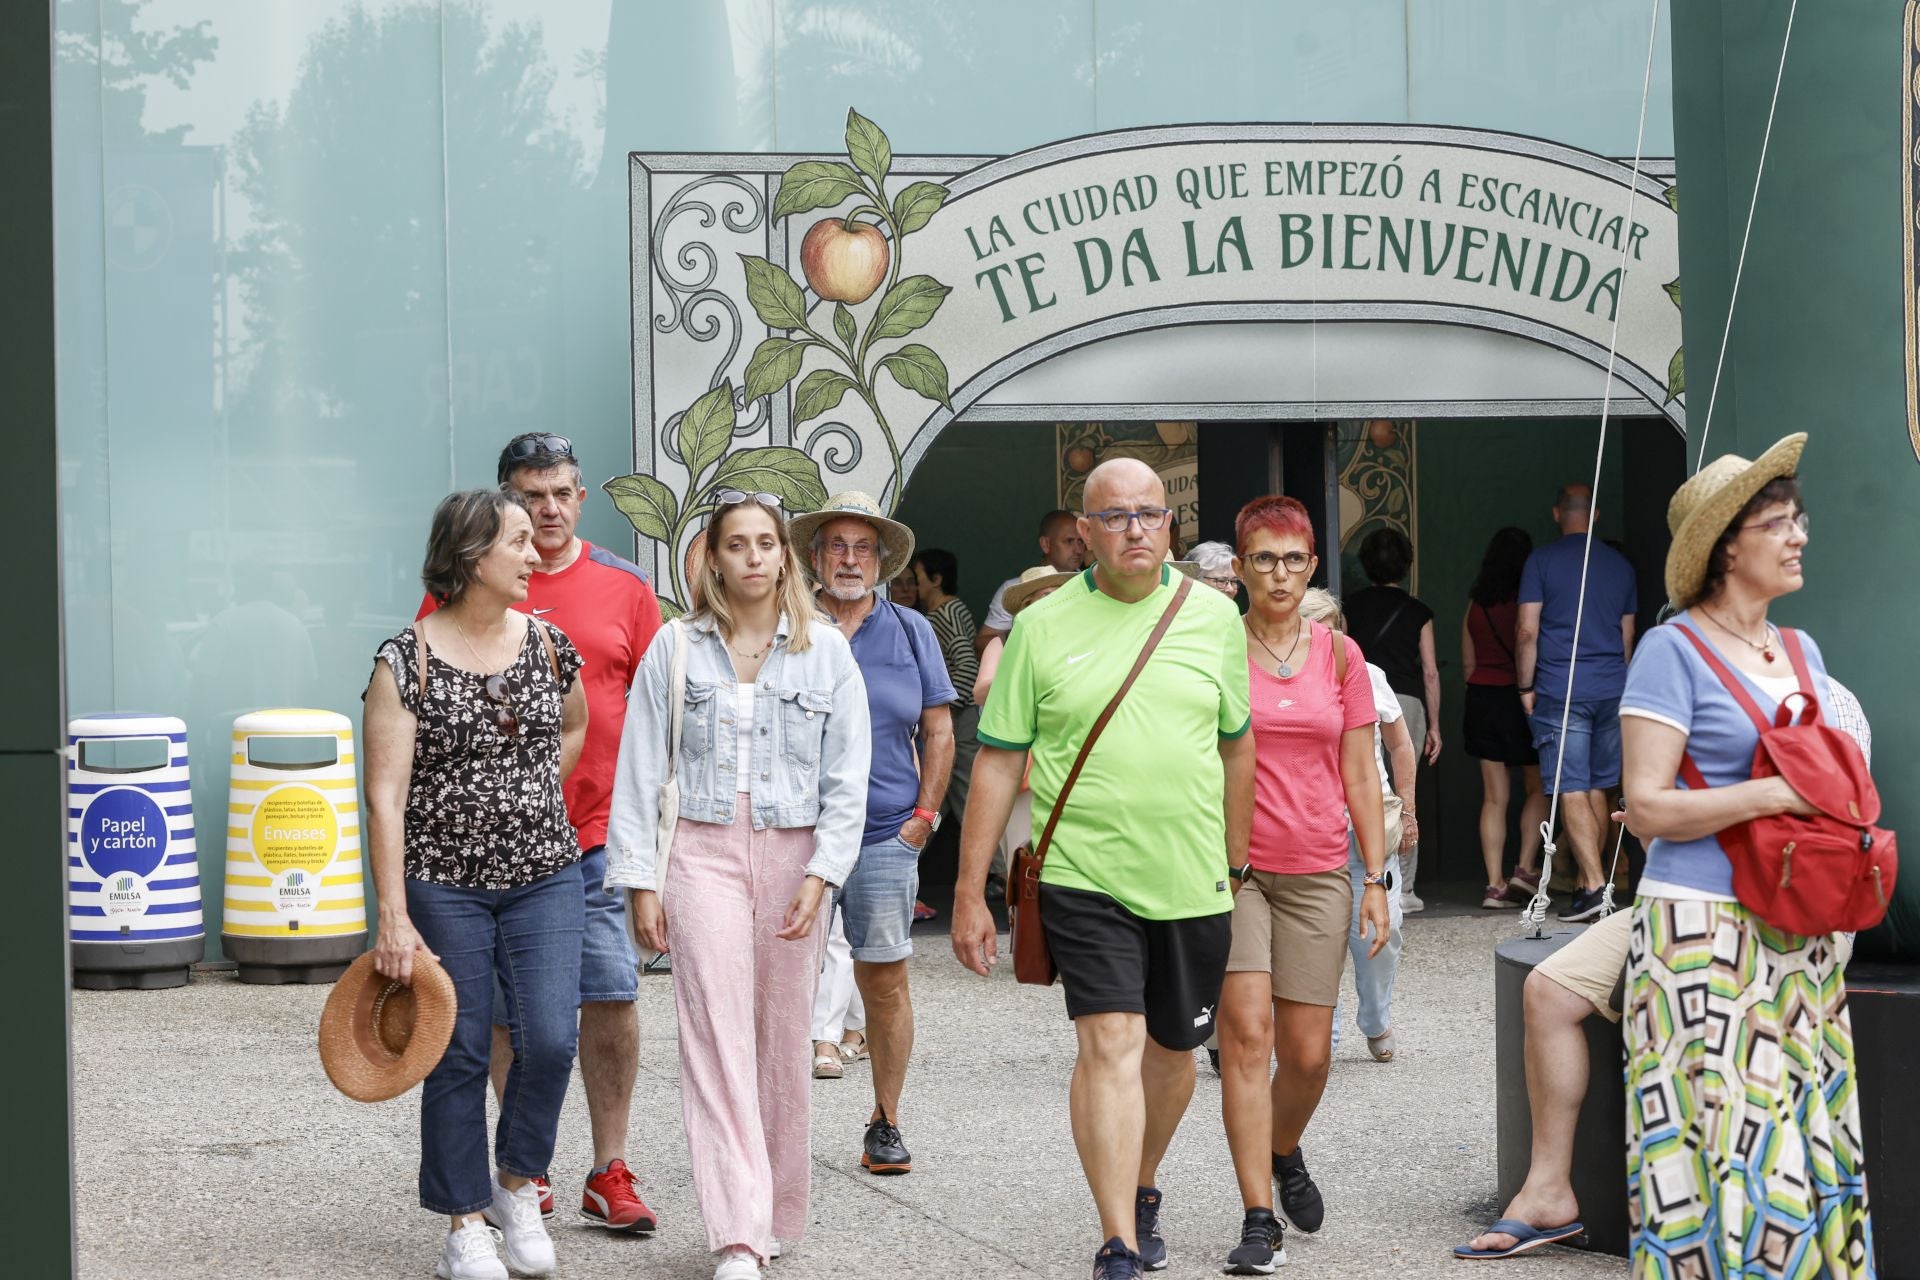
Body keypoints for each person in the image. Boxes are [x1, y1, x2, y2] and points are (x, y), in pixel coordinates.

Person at [954, 459, 1254, 1280]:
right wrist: (968, 891)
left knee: (1173, 1056)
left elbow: (1236, 744)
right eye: (1114, 516)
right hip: (1083, 873)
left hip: (1193, 876)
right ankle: (1117, 1236)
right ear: (1082, 534)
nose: (1134, 529)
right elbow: (997, 762)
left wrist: (1237, 862)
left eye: (1149, 514)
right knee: (1110, 1043)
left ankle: (1144, 1178)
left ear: (1170, 526)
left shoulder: (1213, 618)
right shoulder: (1042, 627)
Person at [1459, 667, 1872, 1262]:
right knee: (1550, 989)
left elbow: (1827, 834)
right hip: (1689, 897)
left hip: (1796, 905)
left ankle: (1748, 1229)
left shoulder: (1821, 698)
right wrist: (1658, 833)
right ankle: (1549, 1192)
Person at [1615, 434, 1874, 1278]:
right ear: (1728, 545)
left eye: (1799, 520)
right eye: (1777, 523)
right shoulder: (1670, 651)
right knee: (1721, 1143)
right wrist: (1770, 797)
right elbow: (1647, 808)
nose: (1799, 536)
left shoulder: (1804, 653)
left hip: (1799, 931)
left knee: (1799, 1131)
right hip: (1699, 934)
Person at [605, 490, 871, 1280]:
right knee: (715, 1040)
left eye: (767, 543)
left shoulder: (824, 650)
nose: (754, 556)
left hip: (795, 855)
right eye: (737, 544)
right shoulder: (675, 648)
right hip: (700, 852)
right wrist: (640, 881)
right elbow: (641, 767)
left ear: (784, 556)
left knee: (782, 1041)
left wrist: (825, 872)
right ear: (713, 559)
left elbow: (849, 774)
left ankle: (777, 1211)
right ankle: (737, 1234)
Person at [416, 432, 665, 1230]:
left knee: (608, 998)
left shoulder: (625, 588)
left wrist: (657, 831)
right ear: (503, 505)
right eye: (531, 496)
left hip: (593, 837)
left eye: (562, 492)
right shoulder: (457, 598)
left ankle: (609, 1165)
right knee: (495, 1014)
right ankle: (528, 1170)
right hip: (485, 855)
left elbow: (659, 714)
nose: (549, 510)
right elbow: (431, 700)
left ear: (581, 497)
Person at [366, 489, 590, 1280]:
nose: (537, 554)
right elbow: (385, 797)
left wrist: (527, 802)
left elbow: (574, 726)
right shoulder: (405, 660)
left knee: (554, 1040)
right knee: (457, 1049)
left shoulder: (551, 646)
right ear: (471, 557)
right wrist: (393, 915)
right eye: (520, 542)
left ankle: (515, 1187)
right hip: (442, 884)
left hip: (546, 876)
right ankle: (464, 1222)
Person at [1217, 498, 1389, 1275]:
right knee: (1247, 1038)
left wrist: (1377, 877)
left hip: (1320, 865)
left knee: (1310, 1056)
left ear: (1312, 565)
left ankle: (1284, 1149)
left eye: (1292, 559)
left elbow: (1360, 770)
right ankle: (1259, 1217)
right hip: (1234, 871)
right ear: (1240, 568)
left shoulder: (1340, 658)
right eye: (1263, 559)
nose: (1278, 574)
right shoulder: (1214, 645)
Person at [790, 492, 957, 1178]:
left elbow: (939, 730)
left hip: (887, 831)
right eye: (837, 546)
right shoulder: (787, 625)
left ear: (883, 560)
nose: (851, 559)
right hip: (795, 832)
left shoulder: (913, 630)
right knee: (778, 977)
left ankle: (885, 1119)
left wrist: (925, 817)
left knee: (883, 981)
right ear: (815, 557)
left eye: (864, 548)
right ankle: (771, 1125)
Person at [1299, 588, 1415, 1065]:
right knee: (1313, 936)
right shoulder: (1279, 677)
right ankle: (1322, 1030)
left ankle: (1376, 1017)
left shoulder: (1367, 674)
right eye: (1314, 627)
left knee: (1379, 935)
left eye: (1332, 626)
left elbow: (1401, 744)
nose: (1325, 637)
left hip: (1365, 825)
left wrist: (1407, 809)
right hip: (1305, 827)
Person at [1514, 483, 1638, 923]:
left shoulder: (1541, 562)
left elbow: (1527, 630)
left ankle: (1590, 887)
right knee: (1598, 787)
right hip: (1611, 688)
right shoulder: (1621, 566)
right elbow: (1626, 638)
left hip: (1561, 688)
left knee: (1570, 786)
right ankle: (1596, 883)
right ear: (1597, 514)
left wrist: (1525, 685)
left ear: (1556, 513)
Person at [1343, 527, 1440, 911]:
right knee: (1403, 788)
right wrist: (1434, 725)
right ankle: (1406, 887)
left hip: (1361, 694)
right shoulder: (1418, 611)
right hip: (1406, 702)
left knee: (1364, 782)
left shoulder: (1351, 606)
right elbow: (1430, 671)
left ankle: (1364, 873)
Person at [971, 564, 1076, 897]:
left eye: (1061, 596)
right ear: (1026, 606)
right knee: (1026, 861)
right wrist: (1029, 673)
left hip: (1072, 766)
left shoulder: (1079, 644)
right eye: (1047, 596)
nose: (1056, 603)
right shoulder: (1003, 643)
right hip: (1020, 771)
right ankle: (1026, 938)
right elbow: (982, 689)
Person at [1462, 526, 1550, 911]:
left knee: (1494, 798)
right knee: (1537, 788)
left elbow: (1468, 661)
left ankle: (1494, 884)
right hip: (1519, 698)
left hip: (1482, 697)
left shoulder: (1475, 603)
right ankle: (1525, 868)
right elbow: (1529, 643)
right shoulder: (1525, 600)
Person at [913, 548, 981, 833]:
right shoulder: (946, 611)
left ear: (936, 579)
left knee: (965, 793)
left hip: (960, 717)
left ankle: (1000, 872)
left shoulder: (946, 611)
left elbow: (966, 662)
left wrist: (949, 709)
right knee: (946, 794)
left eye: (918, 579)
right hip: (960, 715)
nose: (915, 587)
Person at [974, 509, 1087, 651]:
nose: (1078, 550)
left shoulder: (1092, 583)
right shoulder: (1016, 588)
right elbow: (984, 641)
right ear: (1045, 544)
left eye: (1081, 541)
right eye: (1069, 541)